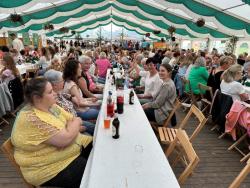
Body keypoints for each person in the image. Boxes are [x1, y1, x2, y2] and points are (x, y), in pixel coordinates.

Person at [11, 78, 92, 188]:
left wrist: (71, 128)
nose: (54, 93)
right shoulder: (32, 119)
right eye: (50, 92)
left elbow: (74, 118)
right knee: (92, 171)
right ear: (37, 98)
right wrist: (71, 129)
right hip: (48, 169)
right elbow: (66, 139)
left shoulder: (51, 107)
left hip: (67, 153)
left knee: (97, 149)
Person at [44, 69, 95, 135]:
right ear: (54, 84)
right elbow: (61, 122)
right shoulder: (51, 102)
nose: (64, 82)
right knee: (93, 129)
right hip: (71, 125)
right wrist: (77, 128)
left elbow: (64, 94)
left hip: (75, 119)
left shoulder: (58, 93)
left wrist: (71, 97)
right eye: (62, 81)